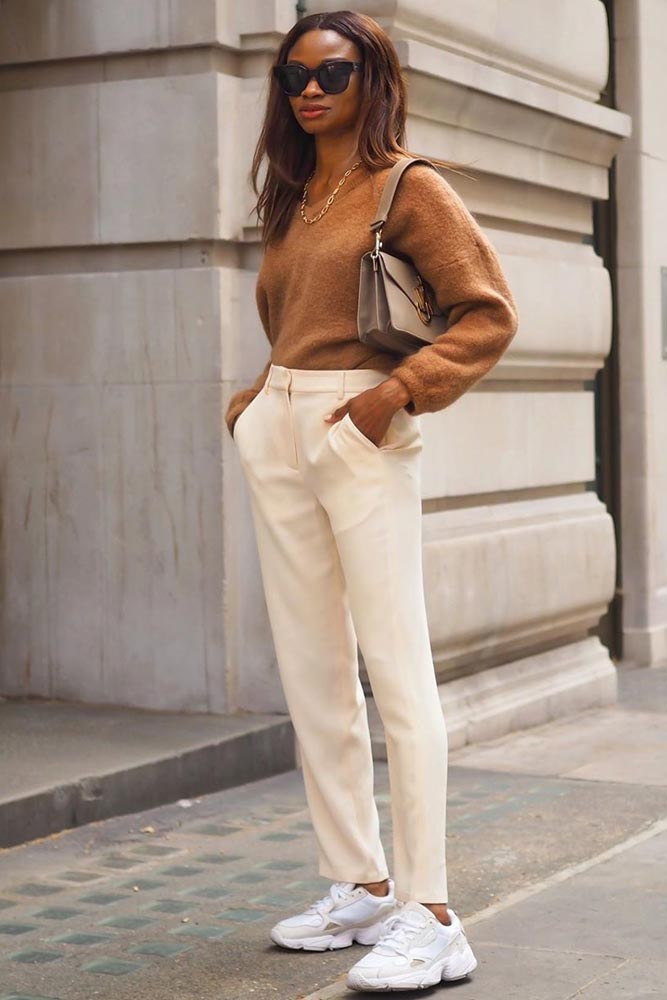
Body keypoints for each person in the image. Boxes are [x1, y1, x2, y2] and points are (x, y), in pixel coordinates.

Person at [225, 9, 517, 993]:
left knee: (397, 668)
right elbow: (292, 314)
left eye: (331, 72)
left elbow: (488, 313)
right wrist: (258, 400)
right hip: (283, 427)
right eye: (292, 74)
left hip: (363, 424)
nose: (308, 89)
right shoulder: (296, 193)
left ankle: (432, 913)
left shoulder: (408, 186)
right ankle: (359, 879)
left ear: (370, 78)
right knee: (312, 670)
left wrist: (394, 394)